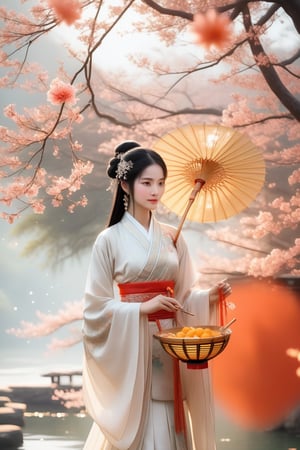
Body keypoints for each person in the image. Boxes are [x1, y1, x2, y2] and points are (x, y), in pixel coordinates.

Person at [82, 140, 232, 450]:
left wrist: (209, 298)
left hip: (171, 347)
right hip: (133, 347)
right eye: (147, 182)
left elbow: (184, 295)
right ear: (125, 184)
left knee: (169, 423)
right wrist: (140, 308)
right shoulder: (108, 240)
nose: (156, 191)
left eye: (161, 183)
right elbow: (95, 308)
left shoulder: (172, 238)